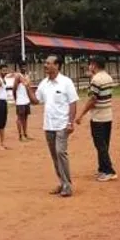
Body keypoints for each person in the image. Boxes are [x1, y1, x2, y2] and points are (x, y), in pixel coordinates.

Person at [30, 55, 79, 198]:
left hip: (62, 124)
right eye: (45, 63)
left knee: (60, 152)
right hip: (49, 125)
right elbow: (35, 101)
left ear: (57, 65)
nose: (45, 65)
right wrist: (27, 87)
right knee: (54, 156)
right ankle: (62, 182)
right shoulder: (44, 83)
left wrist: (70, 122)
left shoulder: (66, 82)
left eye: (48, 63)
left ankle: (67, 186)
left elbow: (73, 102)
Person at [76, 56, 118, 182]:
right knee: (104, 144)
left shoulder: (96, 80)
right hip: (107, 115)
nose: (89, 67)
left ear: (94, 65)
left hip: (98, 117)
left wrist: (81, 115)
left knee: (100, 145)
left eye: (90, 64)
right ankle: (102, 169)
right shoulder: (108, 77)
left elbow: (92, 99)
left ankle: (109, 171)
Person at [13, 63, 32, 142]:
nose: (24, 68)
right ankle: (20, 135)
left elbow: (28, 87)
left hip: (26, 100)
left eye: (25, 66)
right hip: (20, 100)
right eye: (22, 67)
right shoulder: (18, 76)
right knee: (20, 118)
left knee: (25, 118)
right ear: (20, 68)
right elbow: (14, 89)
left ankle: (25, 134)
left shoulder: (27, 76)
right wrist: (16, 99)